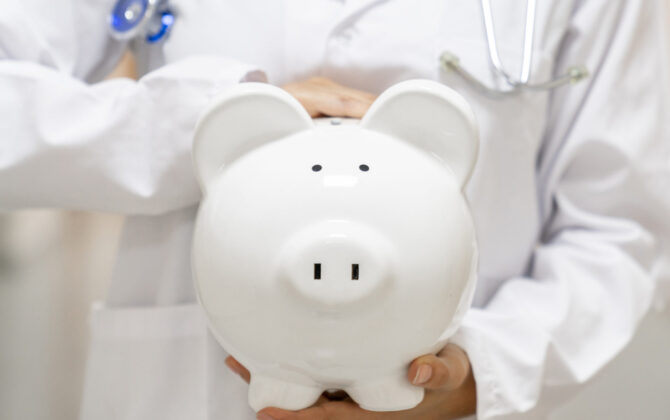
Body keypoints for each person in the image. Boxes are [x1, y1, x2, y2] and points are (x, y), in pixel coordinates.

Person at [1, 1, 669, 419]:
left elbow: (618, 229)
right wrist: (182, 127)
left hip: (430, 390)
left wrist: (480, 375)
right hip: (183, 392)